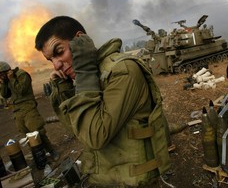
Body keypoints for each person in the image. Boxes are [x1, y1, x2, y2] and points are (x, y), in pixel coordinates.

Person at [34, 16, 171, 187]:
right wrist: (64, 90)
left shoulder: (122, 70)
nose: (56, 65)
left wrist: (84, 72)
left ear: (80, 40)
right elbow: (79, 131)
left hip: (133, 181)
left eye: (59, 52)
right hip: (108, 176)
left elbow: (95, 137)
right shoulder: (93, 75)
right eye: (51, 60)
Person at [0, 61, 59, 161]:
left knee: (37, 131)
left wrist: (12, 79)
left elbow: (21, 90)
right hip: (17, 109)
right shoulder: (6, 80)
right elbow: (5, 95)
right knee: (26, 134)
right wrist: (4, 83)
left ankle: (51, 150)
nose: (1, 76)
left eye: (1, 74)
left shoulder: (21, 74)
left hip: (28, 107)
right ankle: (39, 155)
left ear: (7, 71)